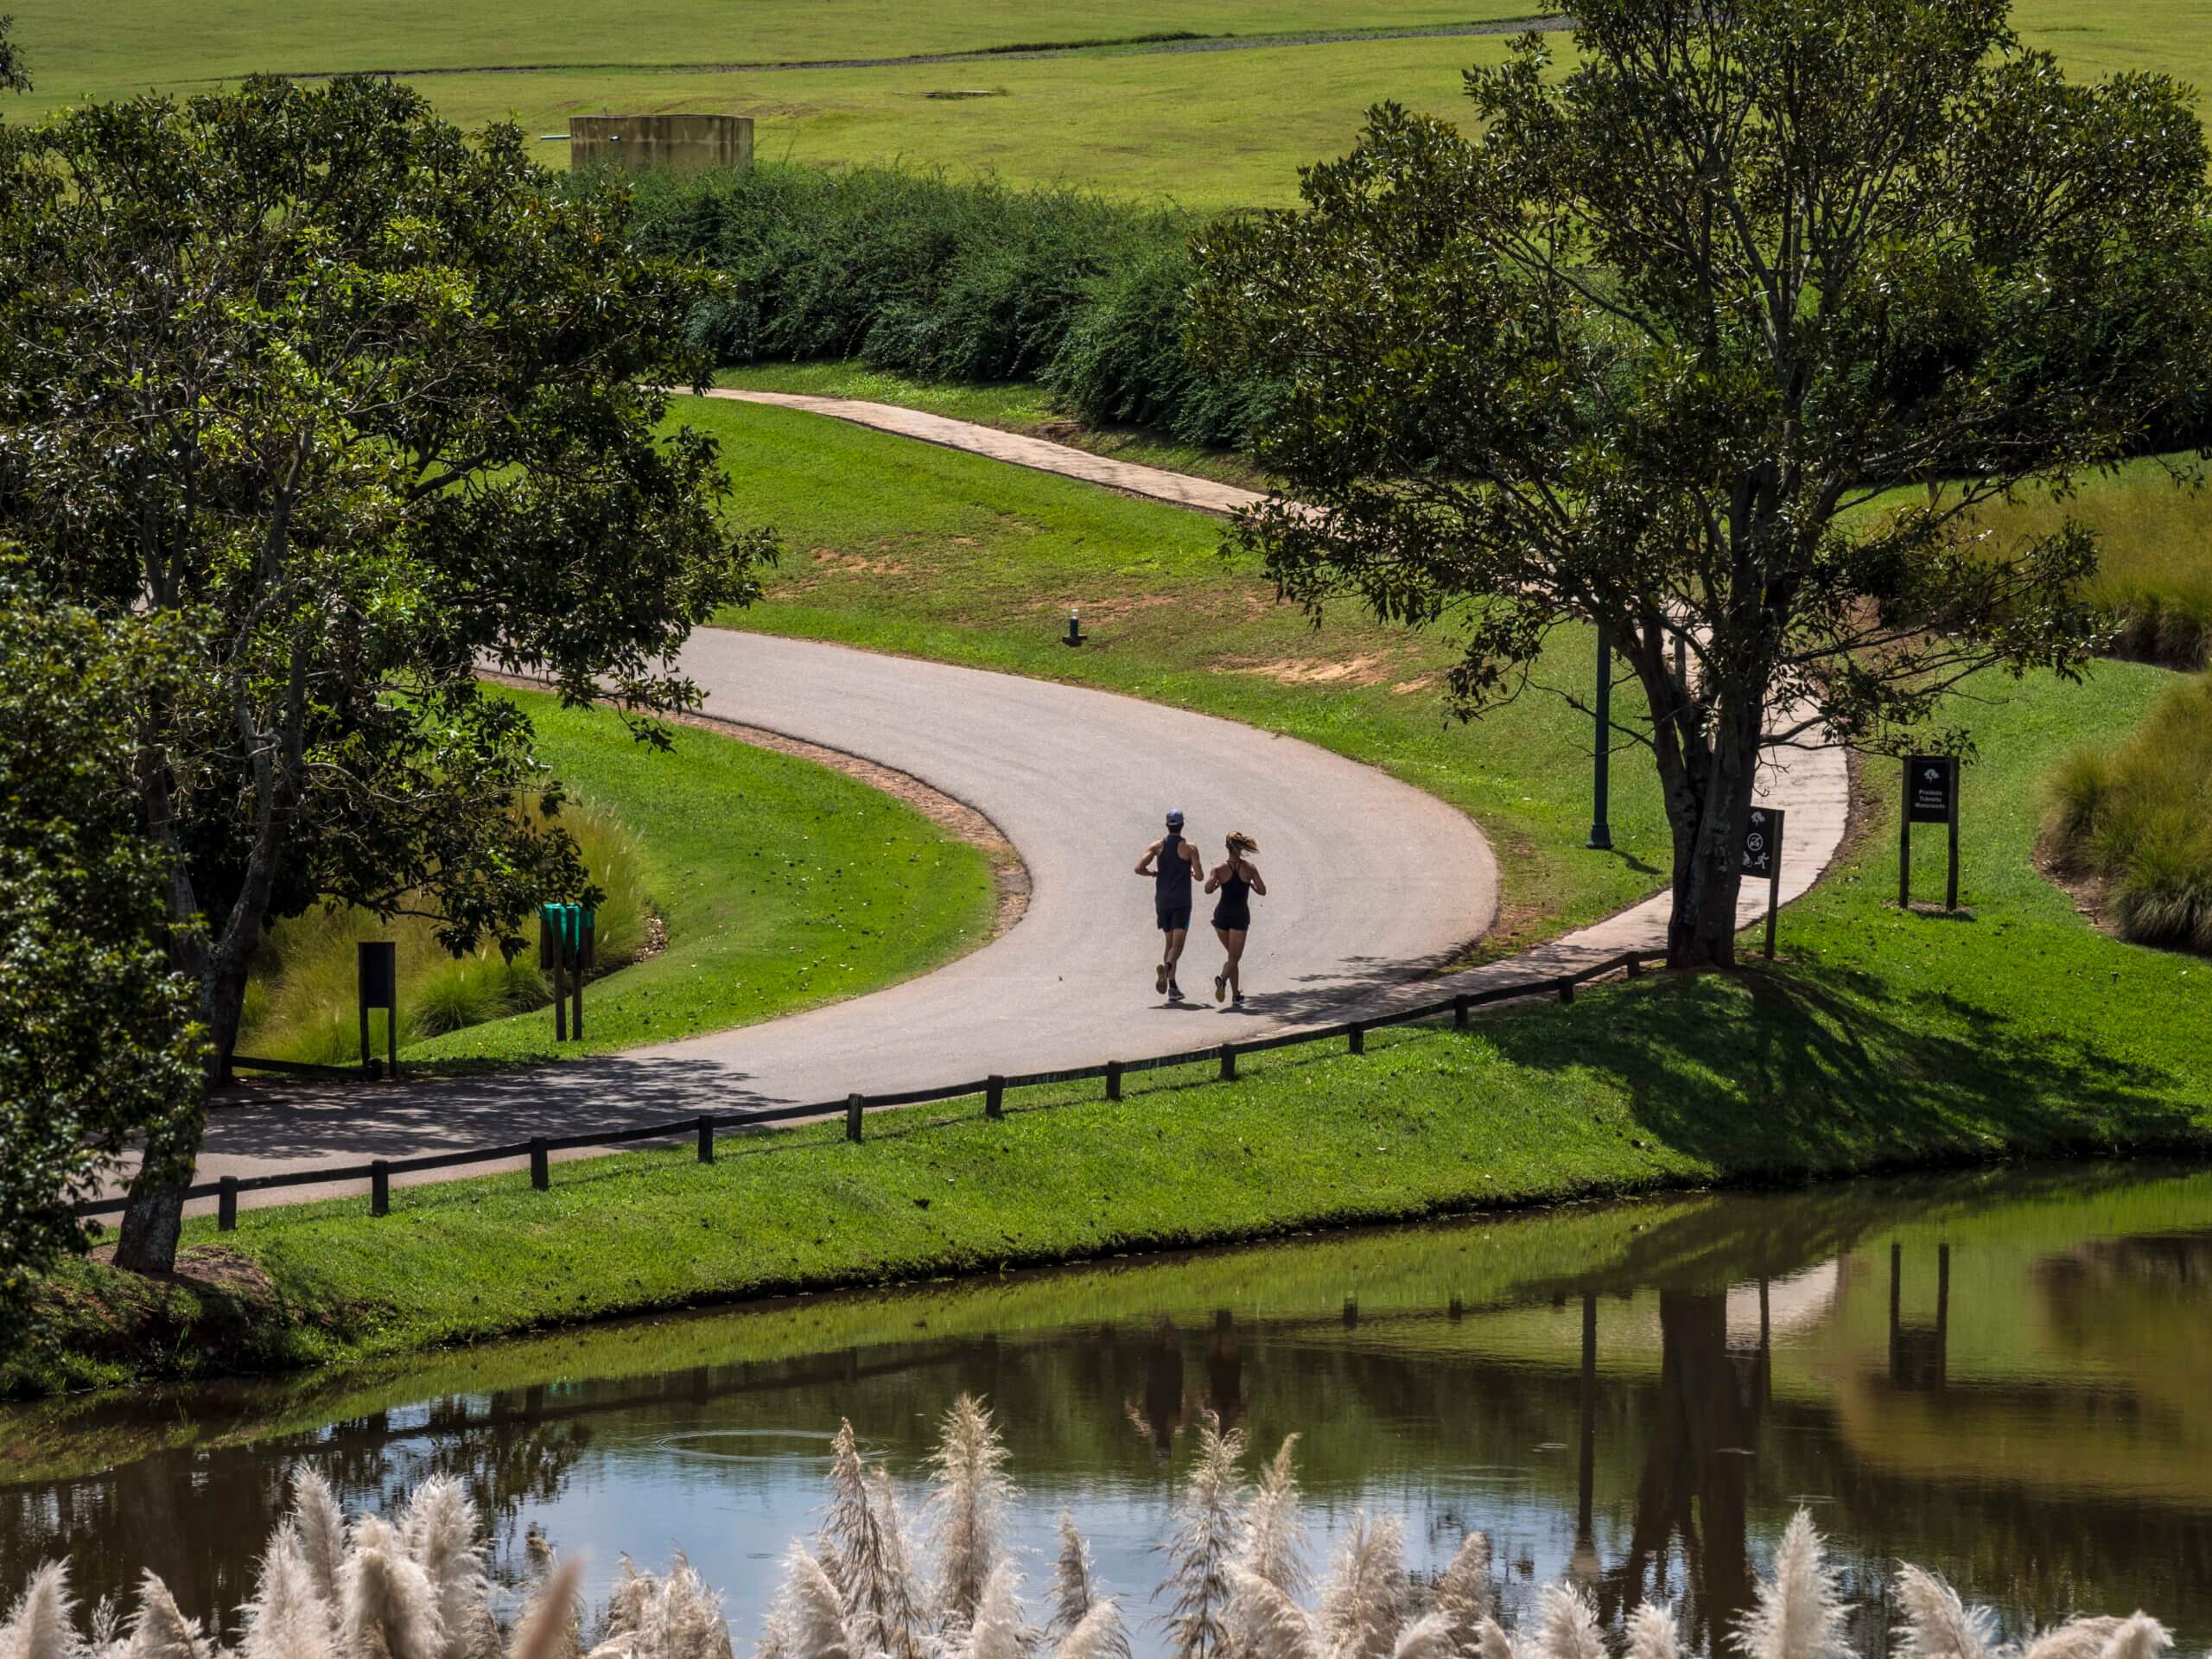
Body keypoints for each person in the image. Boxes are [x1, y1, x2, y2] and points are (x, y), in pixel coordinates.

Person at [1135, 809, 1204, 999]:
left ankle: (1172, 987)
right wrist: (1190, 870)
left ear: (1167, 825)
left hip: (1163, 901)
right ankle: (1166, 970)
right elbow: (1199, 877)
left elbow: (1139, 868)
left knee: (1169, 943)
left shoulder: (1157, 846)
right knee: (1178, 946)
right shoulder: (1189, 848)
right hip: (1182, 901)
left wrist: (1154, 874)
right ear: (1182, 825)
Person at [1205, 832, 1267, 1004]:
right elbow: (1262, 891)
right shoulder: (1250, 868)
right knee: (1234, 958)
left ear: (1227, 847)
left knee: (1232, 957)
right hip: (1239, 916)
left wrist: (1217, 883)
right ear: (1241, 847)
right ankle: (1222, 979)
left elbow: (1208, 889)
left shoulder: (1218, 868)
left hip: (1221, 916)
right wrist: (1252, 885)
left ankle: (1236, 995)